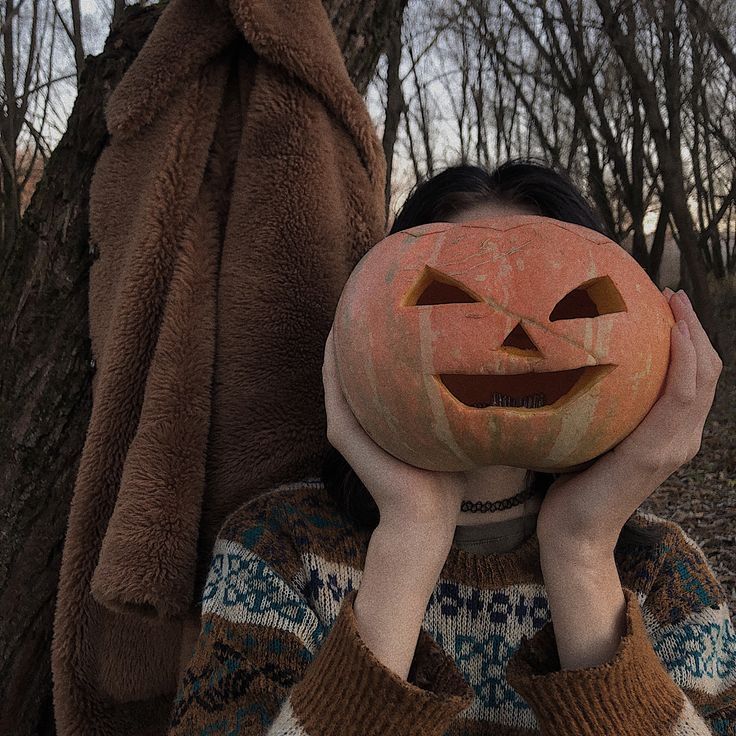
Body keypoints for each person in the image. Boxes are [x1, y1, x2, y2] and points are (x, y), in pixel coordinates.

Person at [166, 159, 734, 736]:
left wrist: (581, 550)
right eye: (448, 300)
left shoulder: (664, 575)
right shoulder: (277, 548)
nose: (519, 342)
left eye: (575, 304)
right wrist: (407, 542)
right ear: (361, 331)